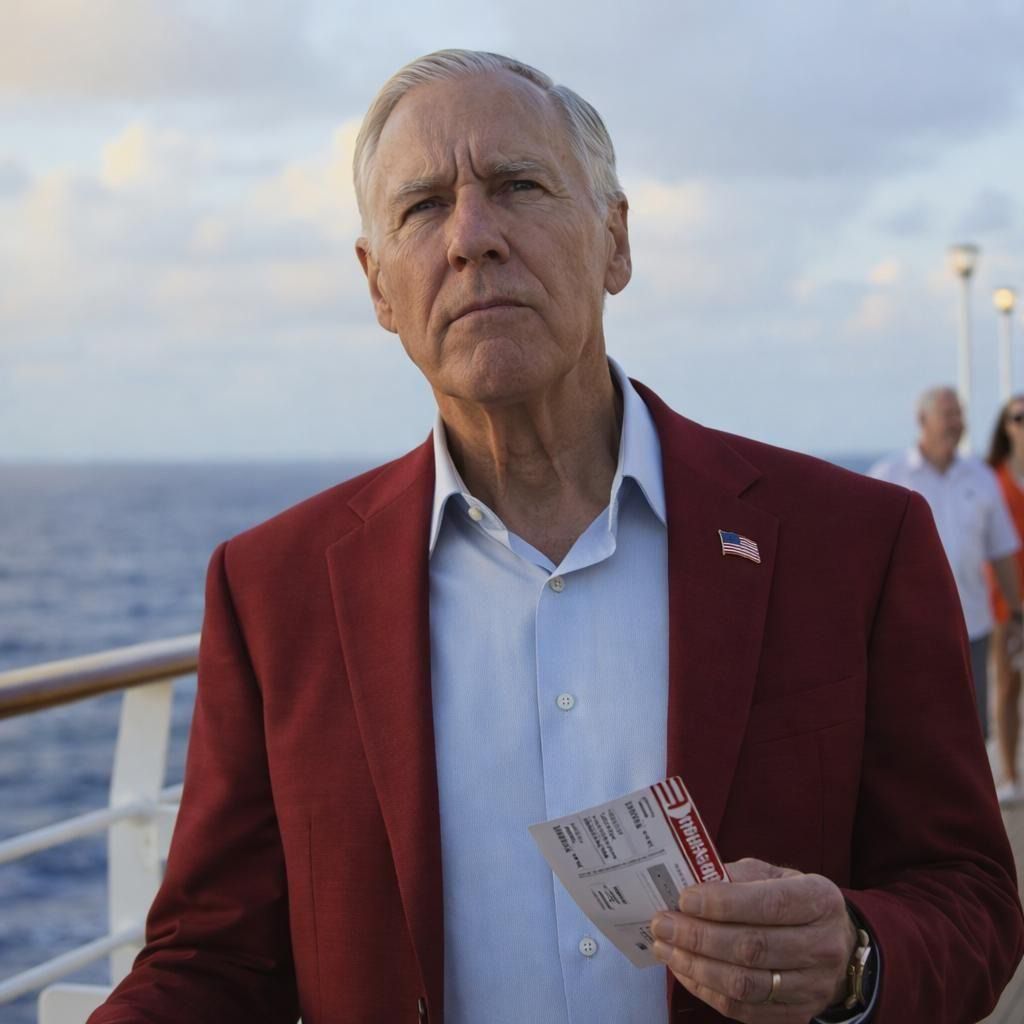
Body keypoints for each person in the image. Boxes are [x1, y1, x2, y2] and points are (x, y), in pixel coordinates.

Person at [90, 51, 1023, 1024]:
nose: (472, 239)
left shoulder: (853, 546)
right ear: (378, 287)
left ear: (615, 240)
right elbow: (213, 960)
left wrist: (854, 960)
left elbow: (970, 899)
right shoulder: (273, 591)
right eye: (423, 207)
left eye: (517, 186)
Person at [869, 386, 1022, 738]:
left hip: (972, 628)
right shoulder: (889, 476)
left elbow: (1002, 552)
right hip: (907, 630)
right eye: (948, 414)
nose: (957, 422)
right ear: (922, 419)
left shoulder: (982, 478)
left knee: (972, 731)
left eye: (960, 414)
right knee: (912, 730)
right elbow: (866, 552)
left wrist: (1017, 614)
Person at [986, 394, 1024, 803]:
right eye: (1019, 417)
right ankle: (1011, 775)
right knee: (1008, 687)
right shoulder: (991, 479)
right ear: (1006, 426)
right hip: (1004, 603)